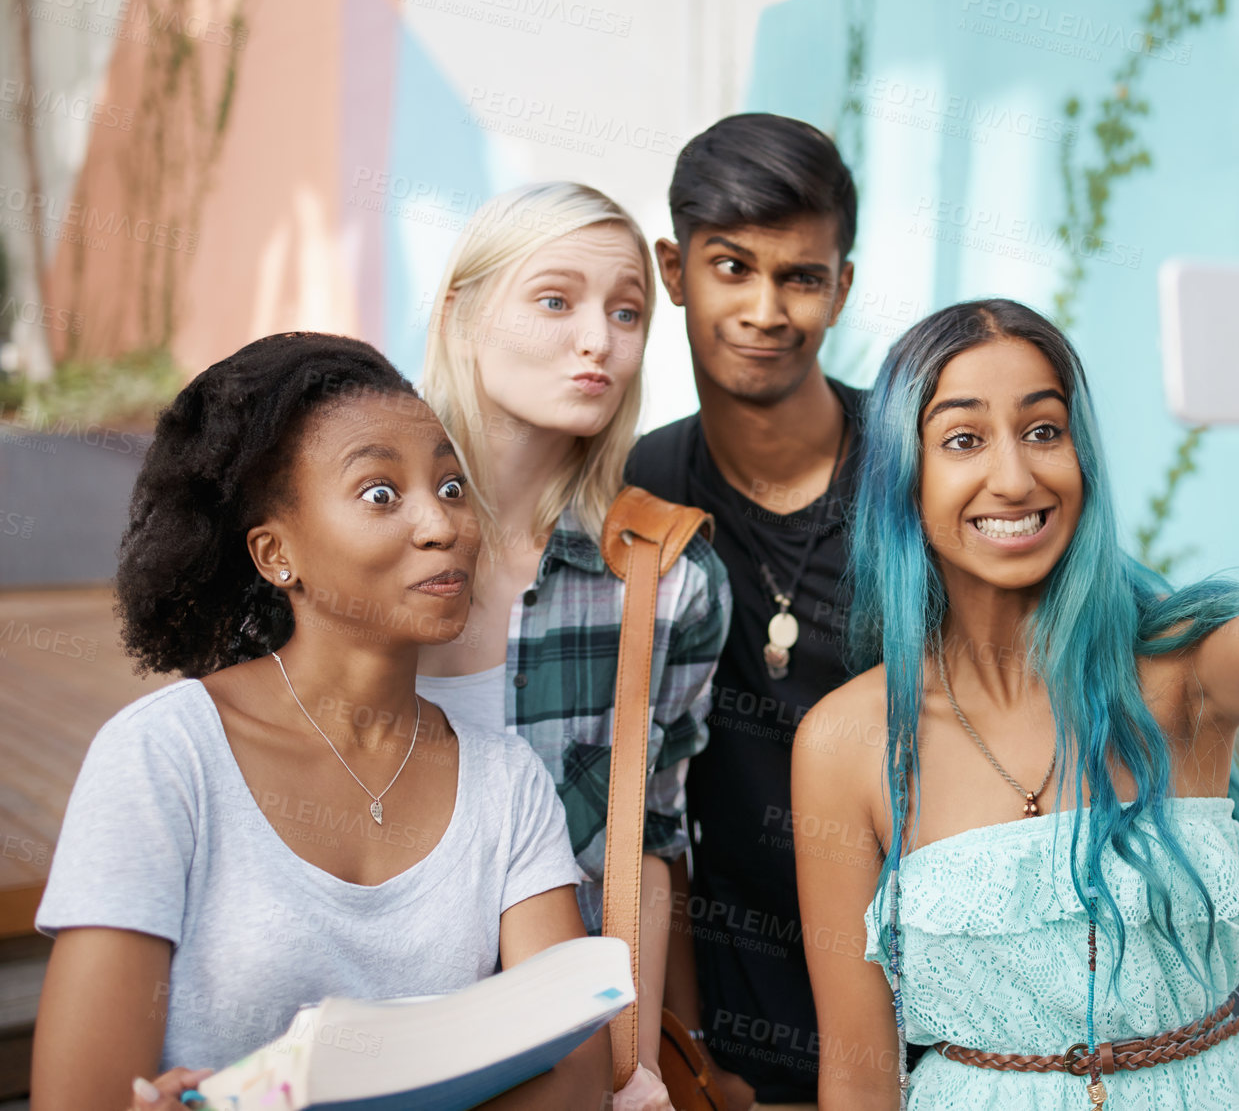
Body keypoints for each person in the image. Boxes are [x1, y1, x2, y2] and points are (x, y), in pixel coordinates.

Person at [793, 247, 1239, 1108]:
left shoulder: (1180, 674)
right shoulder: (843, 742)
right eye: (964, 438)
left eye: (1044, 430)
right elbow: (858, 1072)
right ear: (905, 478)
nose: (1014, 476)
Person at [31, 334, 611, 1110]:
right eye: (380, 492)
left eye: (449, 485)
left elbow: (577, 1076)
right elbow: (84, 1098)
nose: (441, 524)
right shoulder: (163, 758)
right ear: (276, 554)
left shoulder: (506, 783)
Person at [417, 182, 732, 1111]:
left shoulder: (666, 578)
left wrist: (630, 1065)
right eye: (555, 300)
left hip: (558, 1067)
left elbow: (645, 847)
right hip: (364, 1043)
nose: (599, 338)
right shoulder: (350, 545)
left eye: (626, 310)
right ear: (462, 315)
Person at [624, 112, 860, 1110]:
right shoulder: (641, 485)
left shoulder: (923, 469)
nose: (766, 309)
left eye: (801, 277)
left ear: (841, 286)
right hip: (734, 1010)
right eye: (733, 268)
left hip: (926, 995)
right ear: (675, 270)